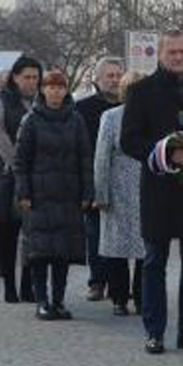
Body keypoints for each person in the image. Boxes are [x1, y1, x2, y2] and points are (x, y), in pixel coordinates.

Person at [121, 30, 183, 355]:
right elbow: (130, 141)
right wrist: (170, 155)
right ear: (160, 53)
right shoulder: (141, 91)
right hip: (160, 188)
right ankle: (155, 331)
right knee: (153, 263)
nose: (179, 57)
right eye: (172, 52)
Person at [14, 70, 92, 320]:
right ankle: (42, 301)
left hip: (68, 194)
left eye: (61, 87)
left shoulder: (76, 120)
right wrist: (23, 192)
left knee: (62, 252)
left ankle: (58, 300)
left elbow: (85, 158)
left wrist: (87, 191)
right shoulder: (31, 120)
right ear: (43, 90)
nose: (56, 92)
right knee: (40, 252)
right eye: (51, 87)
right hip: (39, 195)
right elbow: (20, 161)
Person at [0, 56, 43, 303]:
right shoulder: (1, 101)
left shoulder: (42, 101)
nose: (32, 82)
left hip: (37, 177)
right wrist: (19, 162)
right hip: (6, 176)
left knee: (32, 234)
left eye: (35, 78)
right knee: (8, 233)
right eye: (27, 77)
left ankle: (28, 285)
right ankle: (10, 286)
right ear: (15, 77)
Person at [94, 71, 146, 317]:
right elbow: (102, 157)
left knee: (147, 248)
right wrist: (101, 193)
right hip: (119, 189)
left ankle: (142, 296)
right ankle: (118, 297)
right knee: (117, 248)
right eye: (131, 88)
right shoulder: (111, 117)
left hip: (148, 189)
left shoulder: (155, 117)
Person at [75, 56, 124, 301]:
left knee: (124, 235)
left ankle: (122, 286)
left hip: (127, 182)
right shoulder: (82, 109)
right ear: (97, 79)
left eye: (118, 75)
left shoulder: (133, 106)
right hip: (95, 178)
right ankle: (97, 281)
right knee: (95, 234)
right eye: (110, 76)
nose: (114, 80)